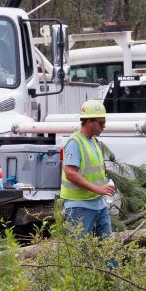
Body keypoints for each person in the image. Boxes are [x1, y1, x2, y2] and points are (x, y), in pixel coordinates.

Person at [59, 98, 115, 238]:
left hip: (98, 203)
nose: (104, 126)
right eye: (101, 123)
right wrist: (98, 189)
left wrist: (103, 187)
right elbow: (70, 173)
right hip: (79, 206)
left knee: (108, 248)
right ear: (90, 122)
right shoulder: (74, 142)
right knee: (79, 251)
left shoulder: (94, 142)